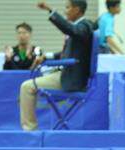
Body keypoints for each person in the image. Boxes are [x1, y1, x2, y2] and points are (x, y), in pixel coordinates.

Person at [20, 0, 95, 131]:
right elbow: (66, 53)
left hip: (71, 79)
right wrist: (46, 56)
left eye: (67, 7)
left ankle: (30, 131)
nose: (65, 11)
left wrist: (51, 11)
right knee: (30, 84)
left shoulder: (85, 26)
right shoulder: (79, 28)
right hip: (66, 73)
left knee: (26, 87)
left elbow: (71, 30)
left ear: (77, 10)